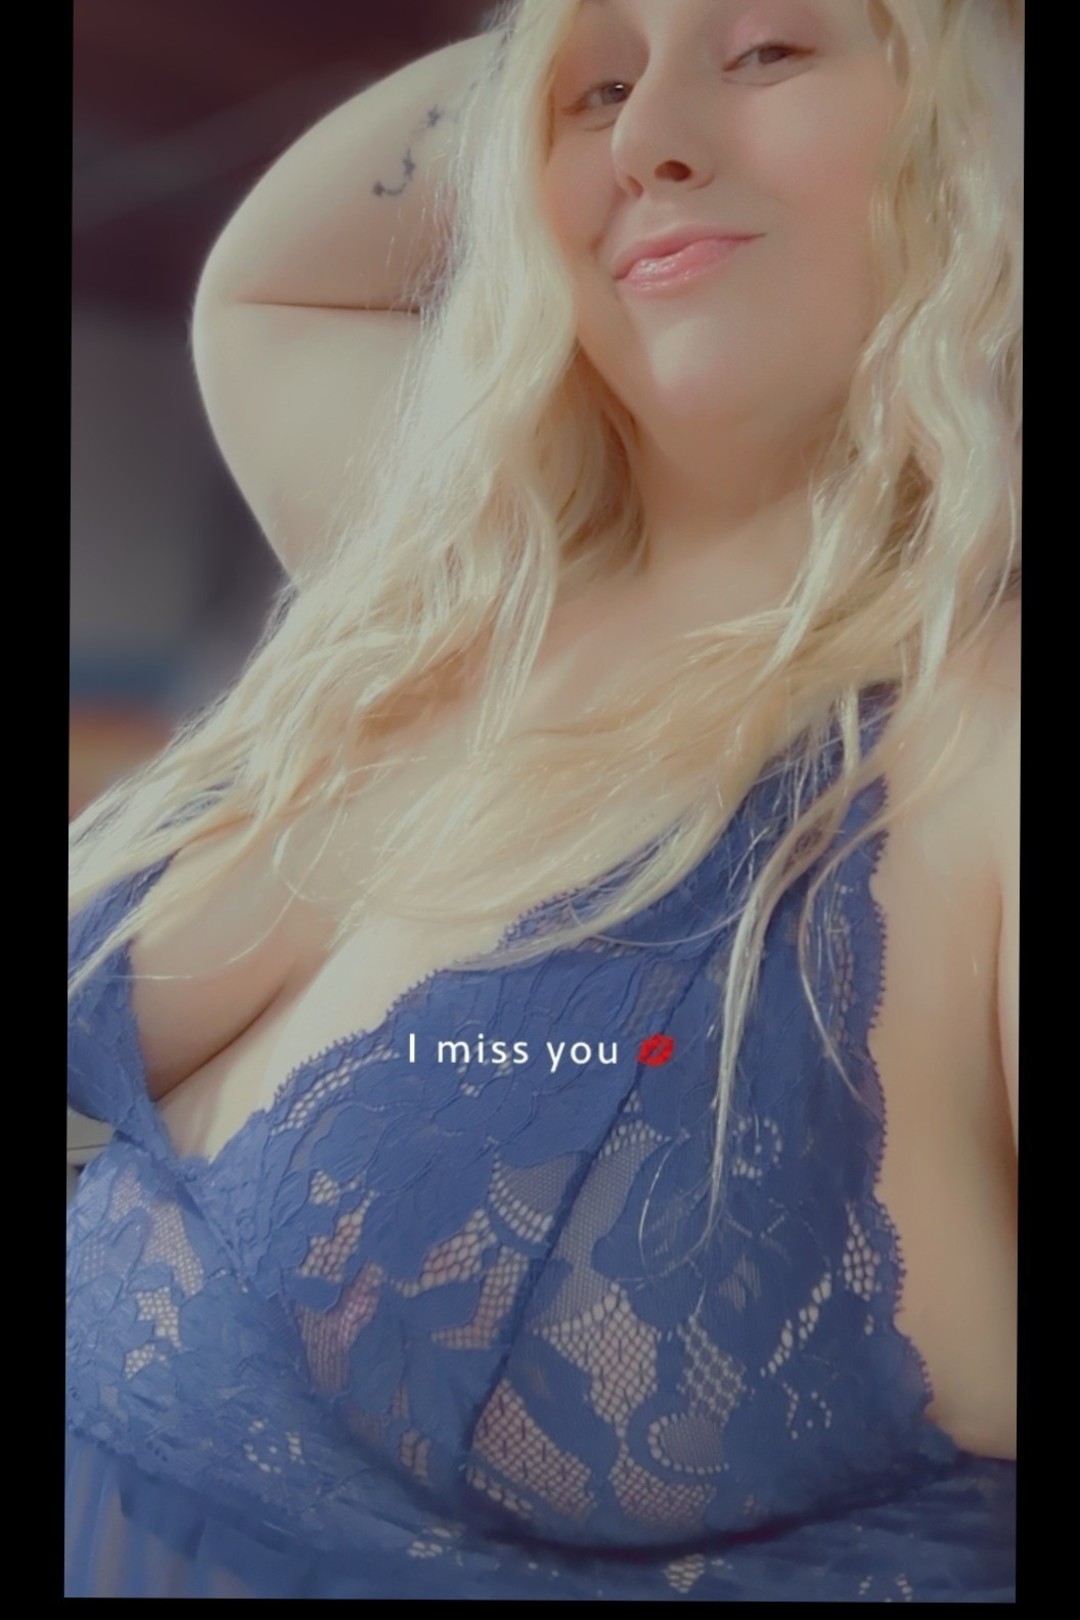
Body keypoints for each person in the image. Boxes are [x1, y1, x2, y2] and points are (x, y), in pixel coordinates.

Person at [66, 0, 1020, 1600]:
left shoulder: (976, 759)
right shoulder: (467, 584)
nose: (646, 137)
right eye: (595, 90)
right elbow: (277, 271)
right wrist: (564, 74)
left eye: (770, 50)